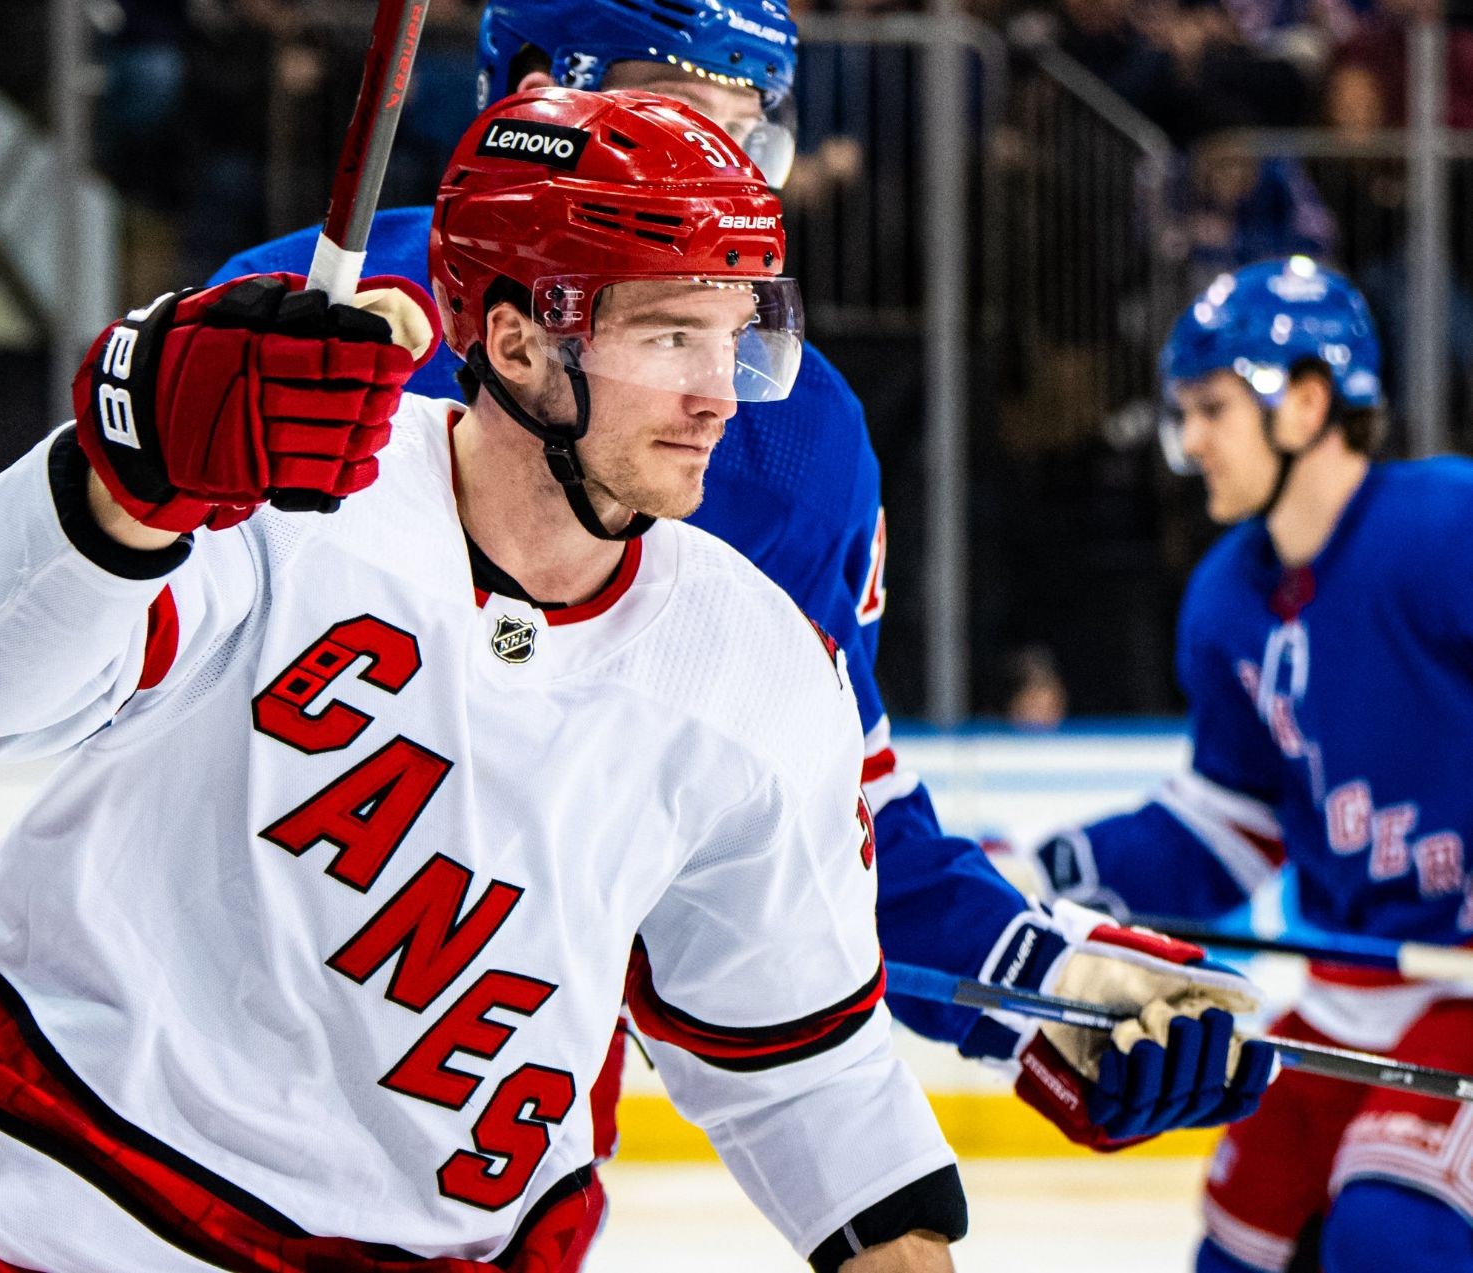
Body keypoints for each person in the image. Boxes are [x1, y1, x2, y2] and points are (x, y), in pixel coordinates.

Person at [0, 88, 969, 1273]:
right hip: (27, 1219)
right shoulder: (283, 497)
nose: (719, 390)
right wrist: (128, 480)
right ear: (515, 342)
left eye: (735, 334)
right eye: (670, 336)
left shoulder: (759, 667)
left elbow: (805, 1068)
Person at [213, 0, 1279, 1163]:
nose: (713, 167)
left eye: (745, 128)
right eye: (673, 109)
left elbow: (826, 822)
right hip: (188, 1051)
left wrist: (1044, 985)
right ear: (529, 98)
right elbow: (104, 637)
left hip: (482, 1139)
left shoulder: (789, 434)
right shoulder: (305, 316)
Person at [1028, 256, 1473, 1273]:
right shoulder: (1227, 600)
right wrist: (1051, 878)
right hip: (1347, 993)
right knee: (1236, 1247)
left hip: (1462, 995)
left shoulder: (1443, 530)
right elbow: (1230, 828)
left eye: (1212, 409)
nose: (1189, 441)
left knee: (1390, 1234)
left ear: (1306, 404)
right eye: (1183, 413)